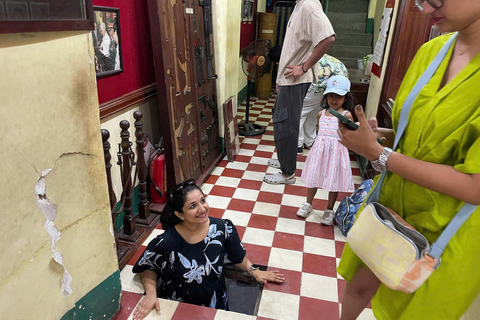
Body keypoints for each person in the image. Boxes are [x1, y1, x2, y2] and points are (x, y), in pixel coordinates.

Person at [336, 1, 480, 319]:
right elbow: (416, 139)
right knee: (358, 286)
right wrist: (375, 138)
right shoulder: (433, 51)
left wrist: (380, 154)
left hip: (446, 231)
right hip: (392, 211)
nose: (428, 8)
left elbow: (474, 187)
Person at [132, 179, 285, 320]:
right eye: (193, 206)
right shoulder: (167, 241)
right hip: (179, 307)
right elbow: (148, 266)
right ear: (180, 214)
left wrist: (254, 271)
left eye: (203, 200)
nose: (202, 209)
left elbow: (236, 256)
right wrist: (151, 294)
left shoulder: (222, 228)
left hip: (215, 303)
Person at [263, 0, 335, 185]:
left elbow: (327, 38)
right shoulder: (299, 5)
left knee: (286, 124)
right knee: (280, 120)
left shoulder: (309, 5)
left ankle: (287, 174)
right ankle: (284, 161)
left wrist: (304, 67)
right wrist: (280, 79)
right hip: (287, 79)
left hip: (296, 80)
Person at [297, 76, 355, 225]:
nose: (334, 100)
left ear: (346, 97)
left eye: (339, 96)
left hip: (336, 152)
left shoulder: (346, 115)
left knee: (333, 179)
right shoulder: (321, 114)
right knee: (314, 177)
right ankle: (308, 203)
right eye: (331, 96)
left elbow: (349, 135)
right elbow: (320, 132)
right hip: (320, 151)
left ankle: (329, 209)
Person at [298, 54, 349, 155]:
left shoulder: (302, 55)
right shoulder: (322, 55)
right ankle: (310, 140)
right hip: (339, 80)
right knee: (313, 112)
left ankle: (297, 144)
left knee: (299, 113)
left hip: (319, 85)